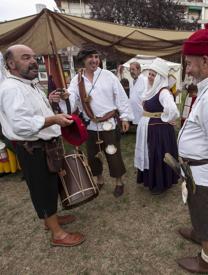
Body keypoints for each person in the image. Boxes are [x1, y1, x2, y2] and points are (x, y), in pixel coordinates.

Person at [0, 44, 85, 247]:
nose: (33, 62)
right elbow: (21, 124)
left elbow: (31, 111)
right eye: (25, 57)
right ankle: (57, 234)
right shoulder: (11, 88)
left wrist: (49, 101)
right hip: (33, 148)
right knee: (42, 189)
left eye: (33, 57)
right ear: (11, 63)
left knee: (50, 185)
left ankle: (50, 220)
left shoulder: (27, 84)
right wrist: (54, 120)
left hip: (43, 145)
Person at [51, 46, 133, 197]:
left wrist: (125, 116)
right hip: (90, 125)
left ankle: (119, 182)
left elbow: (121, 96)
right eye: (91, 57)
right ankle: (99, 180)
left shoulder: (108, 75)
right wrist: (65, 97)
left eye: (96, 57)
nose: (94, 60)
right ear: (83, 60)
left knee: (113, 154)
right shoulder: (77, 79)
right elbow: (73, 101)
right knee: (93, 156)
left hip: (108, 124)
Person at [177, 24, 208, 274]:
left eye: (189, 63)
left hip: (207, 178)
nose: (187, 69)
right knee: (202, 213)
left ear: (205, 60)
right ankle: (200, 234)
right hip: (200, 175)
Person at [134, 58, 179, 195]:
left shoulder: (163, 92)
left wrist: (165, 118)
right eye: (150, 73)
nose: (150, 77)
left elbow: (173, 110)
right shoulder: (150, 90)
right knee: (149, 154)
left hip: (159, 131)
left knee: (158, 156)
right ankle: (150, 180)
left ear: (159, 77)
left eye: (153, 75)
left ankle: (161, 183)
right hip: (149, 128)